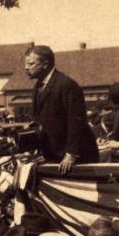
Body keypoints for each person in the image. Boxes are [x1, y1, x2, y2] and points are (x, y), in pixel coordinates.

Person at [25, 45, 99, 174]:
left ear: (45, 64)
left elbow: (76, 122)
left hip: (76, 157)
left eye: (31, 64)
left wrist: (71, 154)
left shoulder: (66, 85)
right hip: (54, 154)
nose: (26, 68)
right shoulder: (38, 87)